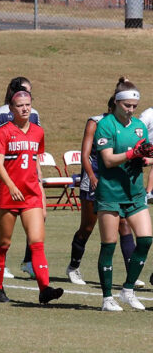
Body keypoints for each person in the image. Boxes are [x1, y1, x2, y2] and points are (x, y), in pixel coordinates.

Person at [0, 89, 63, 304]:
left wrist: (42, 199)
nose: (24, 108)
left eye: (27, 105)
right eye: (20, 105)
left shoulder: (38, 132)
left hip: (30, 195)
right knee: (3, 243)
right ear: (11, 109)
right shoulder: (4, 131)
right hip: (7, 195)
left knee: (37, 243)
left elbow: (36, 166)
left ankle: (44, 289)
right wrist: (10, 185)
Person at [66, 97, 142, 287]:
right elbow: (85, 155)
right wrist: (91, 177)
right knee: (88, 227)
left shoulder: (127, 124)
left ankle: (131, 271)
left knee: (123, 223)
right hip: (95, 177)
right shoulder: (96, 122)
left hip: (115, 181)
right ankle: (73, 267)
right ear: (112, 107)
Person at [93, 78, 153, 311]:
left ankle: (127, 289)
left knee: (146, 239)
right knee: (109, 244)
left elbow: (144, 153)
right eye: (126, 105)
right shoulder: (106, 125)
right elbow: (107, 160)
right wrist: (131, 154)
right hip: (110, 193)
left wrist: (146, 158)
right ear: (117, 103)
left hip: (135, 193)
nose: (130, 110)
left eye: (134, 106)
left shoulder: (138, 126)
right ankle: (107, 298)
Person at [0, 76, 41, 279]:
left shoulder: (35, 116)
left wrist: (39, 181)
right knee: (4, 231)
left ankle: (29, 262)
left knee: (36, 225)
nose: (26, 105)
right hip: (7, 179)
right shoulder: (1, 115)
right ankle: (3, 266)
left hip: (29, 183)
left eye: (29, 98)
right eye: (24, 94)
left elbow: (34, 153)